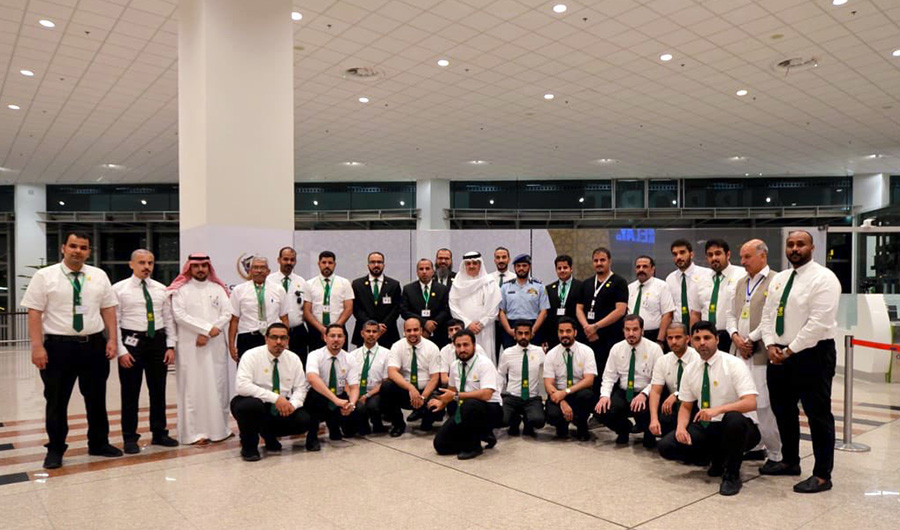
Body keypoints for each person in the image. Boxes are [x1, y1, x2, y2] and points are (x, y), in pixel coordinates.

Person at [23, 231, 123, 469]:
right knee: (56, 400)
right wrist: (37, 346)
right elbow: (34, 312)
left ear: (89, 251)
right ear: (63, 248)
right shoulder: (45, 276)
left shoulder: (98, 275)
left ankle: (98, 443)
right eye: (73, 246)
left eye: (83, 247)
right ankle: (55, 449)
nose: (78, 251)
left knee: (96, 398)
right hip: (58, 347)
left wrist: (112, 340)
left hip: (94, 345)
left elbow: (108, 309)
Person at [761, 230, 840, 494]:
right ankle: (790, 461)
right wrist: (770, 344)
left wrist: (789, 350)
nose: (795, 249)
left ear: (812, 247)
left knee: (818, 415)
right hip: (778, 353)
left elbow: (818, 323)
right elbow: (768, 315)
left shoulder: (824, 278)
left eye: (800, 244)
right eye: (791, 244)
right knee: (783, 410)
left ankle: (822, 475)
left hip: (812, 354)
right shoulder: (780, 279)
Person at [658, 321, 760, 496]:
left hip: (741, 428)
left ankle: (732, 475)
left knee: (733, 419)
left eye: (707, 338)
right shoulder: (691, 369)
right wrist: (681, 428)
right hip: (708, 426)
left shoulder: (733, 364)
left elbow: (751, 402)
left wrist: (717, 410)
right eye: (697, 339)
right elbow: (686, 406)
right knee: (666, 446)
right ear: (691, 341)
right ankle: (716, 458)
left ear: (717, 339)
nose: (702, 342)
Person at [112, 249, 178, 454]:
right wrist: (121, 351)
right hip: (131, 343)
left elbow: (168, 318)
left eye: (150, 263)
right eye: (141, 263)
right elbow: (114, 322)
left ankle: (159, 432)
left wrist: (170, 345)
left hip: (157, 342)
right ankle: (130, 437)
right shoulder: (119, 289)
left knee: (158, 391)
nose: (146, 267)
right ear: (131, 264)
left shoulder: (160, 289)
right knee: (130, 393)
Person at [727, 239, 783, 471]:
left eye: (747, 257)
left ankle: (776, 454)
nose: (742, 262)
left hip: (760, 352)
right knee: (742, 400)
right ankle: (755, 445)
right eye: (741, 257)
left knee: (763, 404)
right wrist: (735, 337)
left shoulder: (776, 281)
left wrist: (750, 339)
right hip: (739, 351)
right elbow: (730, 315)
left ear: (763, 255)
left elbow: (771, 317)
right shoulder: (741, 282)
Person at [169, 253, 233, 445]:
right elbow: (179, 315)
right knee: (193, 389)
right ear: (189, 268)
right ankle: (194, 433)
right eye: (196, 266)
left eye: (204, 266)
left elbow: (227, 312)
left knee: (218, 387)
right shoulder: (181, 290)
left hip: (215, 345)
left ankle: (220, 430)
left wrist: (211, 331)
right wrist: (205, 329)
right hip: (191, 347)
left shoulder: (218, 289)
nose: (200, 269)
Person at [231, 323, 312, 461]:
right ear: (266, 339)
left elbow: (300, 387)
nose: (279, 342)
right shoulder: (251, 355)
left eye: (283, 338)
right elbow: (242, 386)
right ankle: (249, 447)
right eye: (274, 337)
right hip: (256, 403)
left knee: (303, 420)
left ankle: (269, 435)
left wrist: (292, 405)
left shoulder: (293, 358)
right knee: (250, 406)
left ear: (288, 340)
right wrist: (275, 398)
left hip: (280, 406)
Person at [429, 329, 503, 460]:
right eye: (458, 346)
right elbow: (451, 390)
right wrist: (442, 402)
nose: (462, 349)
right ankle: (481, 434)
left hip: (490, 410)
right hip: (464, 411)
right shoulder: (454, 365)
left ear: (474, 345)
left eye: (466, 345)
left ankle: (474, 447)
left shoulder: (484, 363)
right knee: (440, 445)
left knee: (470, 404)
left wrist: (456, 396)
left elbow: (486, 394)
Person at [594, 315, 664, 447]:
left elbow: (658, 379)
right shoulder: (617, 348)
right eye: (627, 329)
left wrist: (644, 394)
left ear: (642, 330)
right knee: (601, 411)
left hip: (646, 392)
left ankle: (648, 433)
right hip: (624, 391)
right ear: (623, 330)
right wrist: (604, 396)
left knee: (643, 410)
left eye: (635, 329)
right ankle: (624, 429)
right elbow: (609, 377)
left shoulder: (654, 349)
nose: (631, 333)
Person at [575, 247, 627, 388]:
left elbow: (620, 310)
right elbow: (579, 308)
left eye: (602, 260)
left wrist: (596, 327)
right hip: (588, 336)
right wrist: (587, 327)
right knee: (589, 372)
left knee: (608, 373)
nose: (599, 263)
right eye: (596, 260)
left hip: (609, 337)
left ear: (609, 261)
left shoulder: (619, 282)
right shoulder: (586, 283)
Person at [303, 324, 360, 451]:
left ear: (344, 339)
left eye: (339, 336)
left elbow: (354, 387)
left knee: (352, 427)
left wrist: (351, 404)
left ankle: (334, 425)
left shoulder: (350, 358)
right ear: (325, 338)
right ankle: (312, 436)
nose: (336, 339)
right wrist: (335, 400)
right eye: (332, 336)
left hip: (338, 395)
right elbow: (312, 378)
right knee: (315, 396)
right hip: (319, 397)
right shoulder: (315, 355)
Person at [382, 318, 443, 436]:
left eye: (415, 330)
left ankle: (427, 420)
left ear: (421, 330)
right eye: (408, 330)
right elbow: (392, 372)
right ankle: (398, 424)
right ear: (404, 332)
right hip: (406, 391)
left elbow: (435, 377)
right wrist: (410, 388)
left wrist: (422, 397)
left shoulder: (432, 347)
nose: (412, 333)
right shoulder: (397, 346)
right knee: (387, 386)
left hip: (426, 391)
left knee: (438, 395)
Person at [544, 317, 597, 441]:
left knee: (587, 396)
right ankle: (561, 425)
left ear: (575, 332)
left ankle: (582, 425)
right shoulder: (551, 354)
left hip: (577, 393)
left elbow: (589, 380)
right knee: (552, 414)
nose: (564, 335)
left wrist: (566, 392)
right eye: (561, 331)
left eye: (568, 331)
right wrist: (562, 400)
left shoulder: (586, 351)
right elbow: (548, 384)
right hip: (558, 395)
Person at [229, 256, 288, 361]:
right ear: (250, 271)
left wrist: (285, 341)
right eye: (255, 267)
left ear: (268, 271)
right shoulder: (239, 290)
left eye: (262, 268)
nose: (259, 271)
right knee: (247, 369)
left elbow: (284, 318)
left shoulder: (279, 290)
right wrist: (231, 345)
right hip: (247, 338)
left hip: (272, 338)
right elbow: (234, 320)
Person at [648, 323, 700, 438]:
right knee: (663, 418)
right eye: (670, 338)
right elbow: (655, 391)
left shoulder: (698, 358)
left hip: (696, 404)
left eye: (678, 337)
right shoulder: (662, 361)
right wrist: (654, 419)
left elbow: (698, 388)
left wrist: (677, 395)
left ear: (687, 339)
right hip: (673, 406)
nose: (674, 341)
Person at [449, 251, 502, 363]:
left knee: (485, 359)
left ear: (480, 264)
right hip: (465, 328)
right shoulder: (457, 284)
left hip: (485, 329)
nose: (471, 266)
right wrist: (468, 324)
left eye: (474, 263)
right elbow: (453, 306)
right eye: (468, 264)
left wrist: (482, 323)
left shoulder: (490, 282)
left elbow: (494, 308)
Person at [498, 322, 546, 437]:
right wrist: (498, 397)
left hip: (532, 397)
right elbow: (500, 375)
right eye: (520, 333)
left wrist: (545, 396)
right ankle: (514, 420)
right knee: (500, 420)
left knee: (538, 421)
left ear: (531, 335)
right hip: (512, 396)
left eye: (526, 333)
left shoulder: (540, 352)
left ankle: (528, 421)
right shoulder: (507, 353)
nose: (523, 336)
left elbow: (547, 373)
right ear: (515, 335)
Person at [696, 239, 744, 352]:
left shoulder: (741, 275)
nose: (714, 258)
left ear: (728, 254)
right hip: (706, 337)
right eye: (710, 255)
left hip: (732, 336)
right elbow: (696, 312)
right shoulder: (702, 279)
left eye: (718, 253)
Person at [303, 251, 354, 351]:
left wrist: (335, 329)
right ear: (319, 264)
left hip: (339, 330)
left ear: (335, 264)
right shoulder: (309, 284)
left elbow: (349, 308)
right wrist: (322, 329)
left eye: (330, 263)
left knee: (340, 358)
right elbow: (307, 311)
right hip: (316, 332)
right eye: (324, 262)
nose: (327, 265)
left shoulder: (344, 283)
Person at [268, 246, 311, 363]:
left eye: (292, 260)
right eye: (285, 259)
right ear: (278, 260)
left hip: (297, 332)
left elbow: (306, 309)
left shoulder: (302, 282)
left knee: (299, 364)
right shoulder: (269, 281)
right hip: (274, 332)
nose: (289, 262)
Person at [351, 251, 401, 348]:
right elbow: (356, 309)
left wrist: (383, 326)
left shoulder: (394, 284)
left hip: (387, 332)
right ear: (368, 265)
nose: (376, 265)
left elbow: (396, 309)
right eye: (373, 262)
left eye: (379, 262)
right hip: (364, 333)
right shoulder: (357, 284)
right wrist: (372, 326)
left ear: (384, 265)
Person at [498, 254, 549, 349]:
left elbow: (544, 311)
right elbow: (501, 311)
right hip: (511, 326)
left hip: (533, 326)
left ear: (530, 266)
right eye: (518, 266)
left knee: (533, 356)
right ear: (514, 268)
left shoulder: (539, 286)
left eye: (524, 265)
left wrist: (532, 330)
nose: (521, 268)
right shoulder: (505, 287)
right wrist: (509, 330)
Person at [349, 320, 389, 434]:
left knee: (373, 405)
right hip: (356, 392)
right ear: (362, 333)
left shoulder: (387, 354)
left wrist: (367, 395)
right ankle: (363, 425)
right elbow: (347, 380)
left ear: (379, 334)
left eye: (374, 332)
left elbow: (386, 381)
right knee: (358, 408)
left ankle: (377, 423)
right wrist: (353, 395)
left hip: (375, 392)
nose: (371, 334)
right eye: (368, 331)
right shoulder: (352, 355)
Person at [400, 258, 451, 347]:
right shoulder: (408, 289)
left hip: (438, 333)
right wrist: (424, 323)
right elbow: (404, 311)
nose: (424, 272)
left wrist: (433, 324)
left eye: (427, 269)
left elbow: (446, 310)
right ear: (417, 272)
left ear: (433, 271)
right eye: (421, 269)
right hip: (416, 334)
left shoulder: (443, 289)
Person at [628, 255, 675, 350]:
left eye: (645, 266)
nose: (641, 269)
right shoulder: (630, 288)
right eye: (638, 267)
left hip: (653, 335)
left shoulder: (662, 286)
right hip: (631, 335)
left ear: (653, 269)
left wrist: (660, 340)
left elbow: (667, 315)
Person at [665, 239, 711, 331]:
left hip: (702, 329)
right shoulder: (670, 279)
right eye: (675, 254)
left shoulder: (707, 275)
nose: (678, 257)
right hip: (678, 330)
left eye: (682, 252)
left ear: (691, 254)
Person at [545, 255, 582, 350]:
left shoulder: (581, 286)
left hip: (575, 333)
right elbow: (547, 314)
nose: (562, 270)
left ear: (571, 269)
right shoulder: (549, 288)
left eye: (565, 268)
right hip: (554, 334)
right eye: (559, 268)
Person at [438, 318, 488, 387]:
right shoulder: (445, 351)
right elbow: (444, 379)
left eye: (457, 329)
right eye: (451, 330)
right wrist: (462, 381)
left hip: (476, 386)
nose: (454, 332)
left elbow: (485, 374)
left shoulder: (477, 348)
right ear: (448, 334)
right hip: (453, 388)